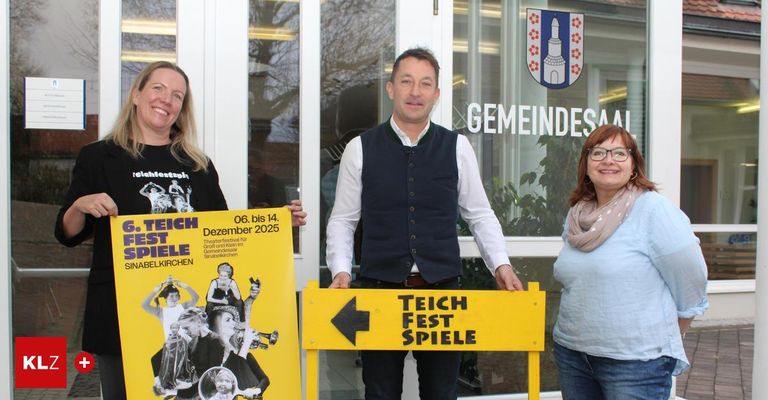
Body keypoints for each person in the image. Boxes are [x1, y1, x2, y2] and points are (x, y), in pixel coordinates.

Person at [54, 61, 306, 399]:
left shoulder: (196, 165)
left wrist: (275, 224)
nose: (166, 100)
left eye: (177, 95)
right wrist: (80, 205)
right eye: (158, 88)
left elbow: (224, 232)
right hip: (119, 310)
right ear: (136, 94)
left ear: (181, 109)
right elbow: (66, 233)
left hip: (190, 323)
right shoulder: (99, 157)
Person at [325, 47, 523, 400]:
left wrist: (501, 264)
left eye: (425, 83)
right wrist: (340, 270)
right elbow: (343, 219)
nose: (415, 92)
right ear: (391, 89)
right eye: (406, 82)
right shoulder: (360, 148)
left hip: (441, 295)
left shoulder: (458, 147)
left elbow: (480, 215)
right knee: (380, 393)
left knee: (441, 393)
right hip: (380, 292)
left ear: (436, 94)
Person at [552, 124, 709, 400]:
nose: (608, 160)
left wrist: (671, 330)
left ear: (634, 164)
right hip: (573, 355)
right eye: (598, 152)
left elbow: (691, 277)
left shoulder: (653, 210)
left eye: (619, 153)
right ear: (586, 164)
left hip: (634, 363)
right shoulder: (578, 214)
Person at [207, 305, 269, 398]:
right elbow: (232, 375)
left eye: (233, 320)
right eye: (228, 320)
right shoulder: (210, 350)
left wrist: (256, 391)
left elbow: (264, 379)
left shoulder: (241, 351)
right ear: (216, 325)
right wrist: (247, 342)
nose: (234, 323)